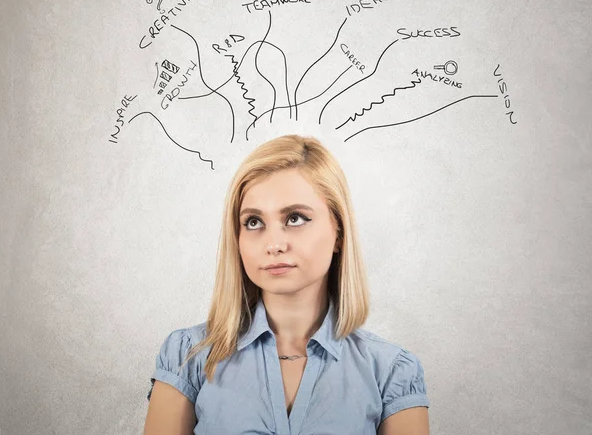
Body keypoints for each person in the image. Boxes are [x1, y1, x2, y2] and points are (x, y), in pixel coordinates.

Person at [144, 134, 430, 435]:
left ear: (339, 232)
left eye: (295, 218)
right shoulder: (188, 357)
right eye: (254, 222)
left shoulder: (391, 370)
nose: (274, 244)